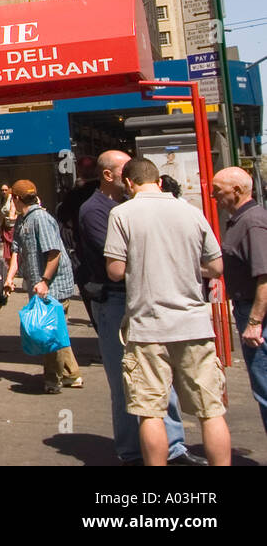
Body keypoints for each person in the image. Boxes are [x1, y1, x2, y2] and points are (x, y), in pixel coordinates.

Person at [78, 151, 204, 465]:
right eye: (125, 168)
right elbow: (117, 261)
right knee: (126, 381)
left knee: (162, 375)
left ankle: (172, 448)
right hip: (117, 301)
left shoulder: (132, 206)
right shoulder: (95, 210)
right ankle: (132, 451)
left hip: (148, 298)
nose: (134, 172)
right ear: (109, 176)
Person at [104, 158, 231, 466]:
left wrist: (143, 264)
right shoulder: (190, 211)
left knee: (150, 412)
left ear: (130, 183)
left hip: (148, 328)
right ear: (159, 181)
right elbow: (216, 266)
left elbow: (115, 270)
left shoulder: (121, 213)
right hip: (193, 325)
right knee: (210, 411)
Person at [2, 179, 81, 394]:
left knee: (47, 332)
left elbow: (53, 253)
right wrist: (10, 278)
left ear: (16, 199)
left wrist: (44, 281)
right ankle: (71, 374)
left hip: (53, 284)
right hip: (39, 283)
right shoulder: (22, 220)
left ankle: (52, 380)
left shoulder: (41, 219)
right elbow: (16, 251)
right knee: (56, 330)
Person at [212, 166, 267, 436]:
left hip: (258, 315)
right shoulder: (241, 220)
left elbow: (265, 276)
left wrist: (255, 322)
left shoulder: (252, 222)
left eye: (217, 191)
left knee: (265, 388)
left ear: (236, 191)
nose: (213, 196)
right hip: (250, 310)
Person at [0, 184, 16, 262]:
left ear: (9, 190)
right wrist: (0, 226)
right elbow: (1, 215)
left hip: (13, 227)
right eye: (2, 190)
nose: (4, 192)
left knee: (14, 248)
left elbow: (16, 211)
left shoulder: (12, 199)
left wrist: (14, 217)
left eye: (6, 190)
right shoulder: (1, 200)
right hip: (5, 226)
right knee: (7, 249)